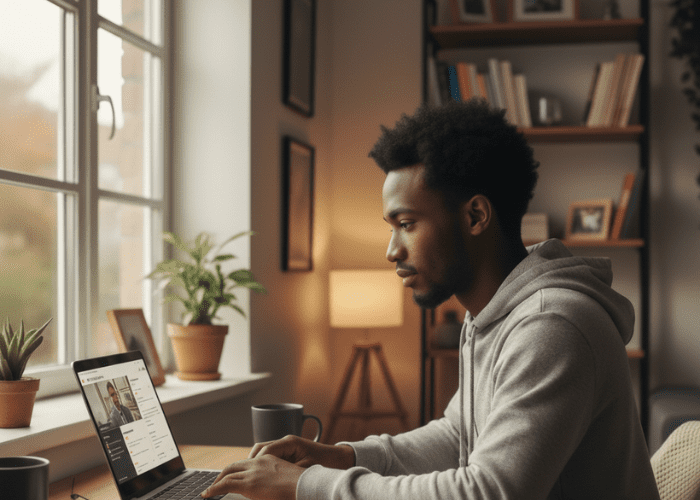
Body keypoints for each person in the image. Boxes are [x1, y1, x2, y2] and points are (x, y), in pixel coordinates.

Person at [202, 100, 660, 499]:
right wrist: (340, 456)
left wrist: (308, 486)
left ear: (476, 215)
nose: (391, 250)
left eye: (406, 223)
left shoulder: (552, 326)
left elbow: (489, 492)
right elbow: (460, 434)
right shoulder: (494, 314)